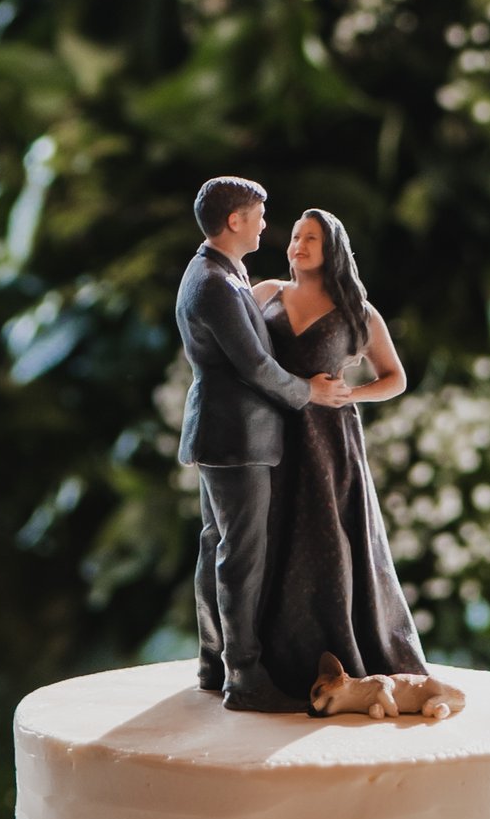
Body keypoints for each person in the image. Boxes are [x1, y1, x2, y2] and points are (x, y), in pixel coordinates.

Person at [175, 174, 352, 715]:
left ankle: (213, 659)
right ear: (235, 221)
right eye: (258, 215)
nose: (265, 225)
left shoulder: (219, 272)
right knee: (239, 557)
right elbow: (253, 363)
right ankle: (243, 676)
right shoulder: (215, 283)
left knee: (216, 547)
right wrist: (309, 392)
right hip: (238, 437)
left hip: (224, 431)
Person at [256, 204, 429, 712]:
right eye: (294, 236)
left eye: (311, 238)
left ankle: (340, 649)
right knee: (270, 535)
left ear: (332, 248)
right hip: (273, 430)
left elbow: (394, 377)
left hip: (328, 438)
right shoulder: (265, 294)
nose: (299, 246)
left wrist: (351, 396)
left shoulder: (358, 312)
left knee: (330, 536)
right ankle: (267, 660)